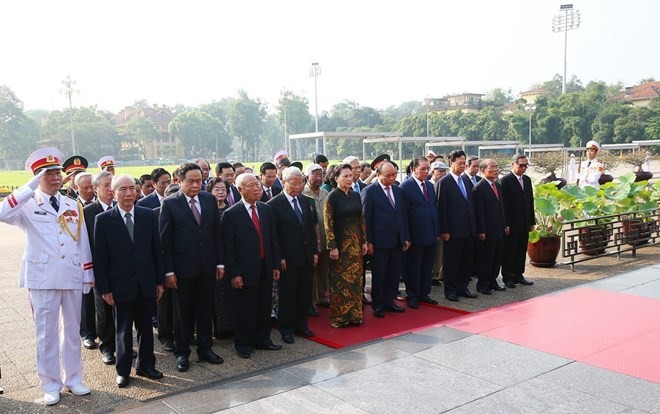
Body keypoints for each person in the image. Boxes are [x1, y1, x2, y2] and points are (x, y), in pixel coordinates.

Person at [0, 147, 93, 406]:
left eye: (57, 172)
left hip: (72, 274)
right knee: (46, 333)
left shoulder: (71, 204)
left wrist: (88, 275)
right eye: (48, 173)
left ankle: (73, 379)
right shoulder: (27, 204)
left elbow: (81, 242)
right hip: (42, 277)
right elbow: (2, 214)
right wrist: (29, 186)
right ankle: (50, 384)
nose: (55, 178)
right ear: (37, 176)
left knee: (72, 330)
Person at [93, 174, 165, 388]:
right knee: (123, 330)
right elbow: (100, 257)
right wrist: (105, 288)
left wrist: (159, 281)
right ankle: (123, 370)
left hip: (146, 282)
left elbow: (156, 251)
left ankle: (146, 365)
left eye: (132, 188)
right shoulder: (104, 220)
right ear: (113, 193)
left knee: (146, 327)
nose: (128, 193)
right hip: (120, 284)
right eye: (122, 189)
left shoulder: (147, 215)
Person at [160, 163, 225, 372]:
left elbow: (217, 234)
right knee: (182, 314)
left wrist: (219, 262)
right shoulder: (170, 204)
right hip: (182, 269)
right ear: (179, 181)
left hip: (206, 266)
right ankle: (182, 353)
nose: (196, 185)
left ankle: (206, 348)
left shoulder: (208, 199)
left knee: (205, 310)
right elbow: (165, 241)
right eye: (191, 181)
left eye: (200, 181)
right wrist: (168, 271)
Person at [222, 173, 282, 358]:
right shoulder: (231, 214)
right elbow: (228, 248)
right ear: (240, 190)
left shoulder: (265, 209)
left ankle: (263, 339)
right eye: (251, 186)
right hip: (244, 270)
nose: (257, 189)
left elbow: (272, 239)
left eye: (257, 185)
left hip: (265, 265)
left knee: (264, 305)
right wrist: (235, 273)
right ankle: (243, 343)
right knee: (245, 308)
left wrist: (274, 265)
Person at [268, 167, 318, 344]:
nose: (298, 186)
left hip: (305, 255)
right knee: (288, 293)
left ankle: (301, 324)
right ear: (283, 182)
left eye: (300, 183)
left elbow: (309, 229)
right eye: (294, 183)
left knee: (304, 292)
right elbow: (273, 235)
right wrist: (279, 257)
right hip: (287, 258)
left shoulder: (305, 201)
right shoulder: (274, 204)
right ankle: (286, 328)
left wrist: (314, 251)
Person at [361, 161, 410, 318]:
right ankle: (378, 304)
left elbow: (402, 215)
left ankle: (390, 301)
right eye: (388, 175)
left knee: (394, 273)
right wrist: (369, 241)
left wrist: (405, 237)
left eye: (394, 175)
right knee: (379, 274)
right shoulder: (370, 191)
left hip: (396, 240)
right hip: (379, 240)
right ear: (378, 174)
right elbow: (366, 219)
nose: (391, 178)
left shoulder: (398, 190)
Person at [324, 164, 367, 328]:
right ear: (336, 179)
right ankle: (340, 317)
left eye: (350, 175)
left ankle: (355, 315)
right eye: (345, 176)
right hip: (340, 247)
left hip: (356, 246)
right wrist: (332, 247)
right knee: (341, 283)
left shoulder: (356, 196)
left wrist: (364, 241)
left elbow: (361, 220)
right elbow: (328, 224)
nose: (349, 179)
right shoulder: (332, 198)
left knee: (356, 280)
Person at [83, 171, 117, 365]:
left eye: (113, 185)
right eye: (106, 185)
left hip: (122, 269)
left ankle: (123, 345)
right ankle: (108, 348)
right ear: (96, 189)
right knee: (103, 310)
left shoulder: (124, 207)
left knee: (123, 311)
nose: (111, 189)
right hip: (99, 270)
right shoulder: (87, 213)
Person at [438, 150, 478, 302]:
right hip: (453, 231)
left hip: (468, 229)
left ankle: (463, 287)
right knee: (452, 262)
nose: (463, 166)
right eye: (460, 163)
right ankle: (451, 290)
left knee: (466, 261)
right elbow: (442, 208)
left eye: (464, 163)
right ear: (451, 163)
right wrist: (445, 230)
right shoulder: (444, 182)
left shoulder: (466, 181)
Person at [400, 156, 440, 308]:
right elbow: (403, 214)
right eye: (422, 169)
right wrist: (406, 237)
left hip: (430, 233)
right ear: (413, 169)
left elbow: (433, 208)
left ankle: (424, 292)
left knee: (427, 265)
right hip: (415, 236)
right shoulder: (406, 187)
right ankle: (412, 294)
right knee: (413, 266)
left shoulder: (429, 186)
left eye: (427, 169)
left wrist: (436, 230)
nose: (425, 172)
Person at [472, 159, 508, 295]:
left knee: (496, 257)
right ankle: (483, 284)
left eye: (496, 166)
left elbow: (502, 208)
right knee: (485, 258)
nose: (495, 169)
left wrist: (505, 225)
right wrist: (481, 230)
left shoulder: (497, 186)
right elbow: (478, 211)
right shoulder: (479, 188)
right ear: (483, 170)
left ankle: (493, 281)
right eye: (492, 167)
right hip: (487, 230)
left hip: (499, 228)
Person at [500, 154, 535, 288]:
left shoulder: (526, 180)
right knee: (510, 251)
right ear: (513, 165)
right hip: (511, 223)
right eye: (521, 165)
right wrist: (506, 224)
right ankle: (508, 277)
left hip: (524, 222)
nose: (523, 168)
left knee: (521, 250)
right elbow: (504, 205)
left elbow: (530, 202)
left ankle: (519, 274)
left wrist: (531, 221)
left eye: (526, 165)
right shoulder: (505, 181)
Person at [206, 177, 234, 338]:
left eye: (223, 189)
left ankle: (230, 326)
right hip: (213, 259)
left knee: (228, 294)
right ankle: (218, 329)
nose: (220, 192)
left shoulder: (231, 210)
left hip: (229, 258)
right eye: (217, 189)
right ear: (210, 192)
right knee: (215, 295)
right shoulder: (207, 211)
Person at [302, 163, 331, 310]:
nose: (319, 178)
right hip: (311, 241)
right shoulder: (303, 193)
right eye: (316, 175)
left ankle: (322, 297)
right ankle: (311, 301)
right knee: (311, 272)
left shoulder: (325, 193)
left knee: (323, 270)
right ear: (307, 177)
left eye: (321, 174)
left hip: (326, 239)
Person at [430, 162, 449, 286]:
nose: (443, 174)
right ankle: (432, 275)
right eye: (440, 171)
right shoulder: (429, 185)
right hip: (430, 226)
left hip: (441, 224)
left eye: (444, 171)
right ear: (433, 172)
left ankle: (438, 275)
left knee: (440, 253)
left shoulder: (444, 184)